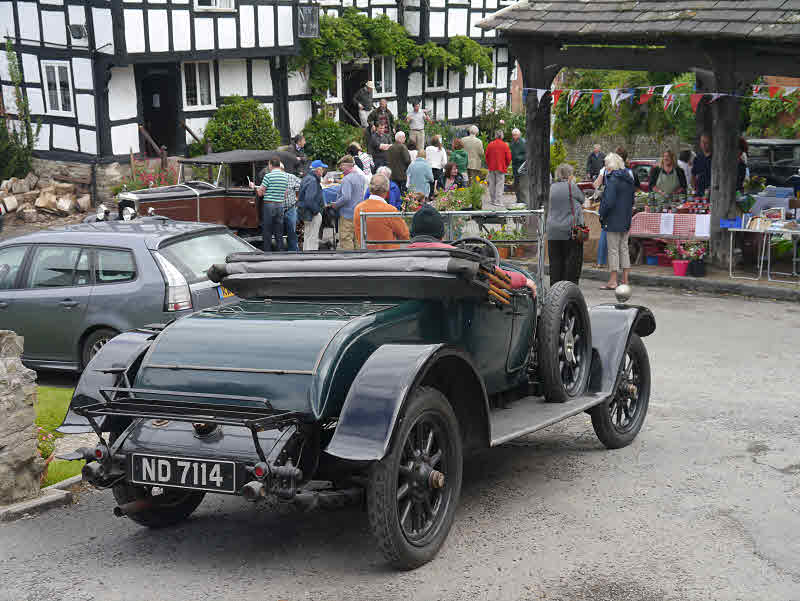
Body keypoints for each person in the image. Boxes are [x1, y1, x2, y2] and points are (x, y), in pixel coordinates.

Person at [406, 205, 537, 295]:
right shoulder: (459, 258)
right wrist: (524, 280)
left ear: (412, 233)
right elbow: (497, 277)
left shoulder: (399, 258)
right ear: (441, 234)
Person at [599, 153, 634, 290]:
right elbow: (632, 200)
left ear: (612, 164)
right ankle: (625, 280)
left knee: (613, 250)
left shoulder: (612, 179)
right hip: (625, 217)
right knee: (624, 248)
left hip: (613, 218)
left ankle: (613, 280)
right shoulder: (628, 178)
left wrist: (602, 213)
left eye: (606, 163)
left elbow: (609, 201)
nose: (605, 166)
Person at [546, 163, 585, 286]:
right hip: (569, 230)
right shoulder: (571, 187)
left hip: (552, 230)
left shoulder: (551, 187)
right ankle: (569, 291)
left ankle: (555, 290)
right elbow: (582, 199)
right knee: (571, 264)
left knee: (555, 263)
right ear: (569, 175)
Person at [353, 174, 410, 249]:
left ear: (370, 189)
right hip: (389, 254)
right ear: (387, 189)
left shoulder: (358, 208)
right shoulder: (390, 210)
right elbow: (404, 235)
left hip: (367, 253)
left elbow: (358, 235)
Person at [259, 157, 300, 251]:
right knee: (279, 231)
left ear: (270, 165)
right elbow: (285, 194)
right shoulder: (285, 177)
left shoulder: (268, 176)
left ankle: (267, 252)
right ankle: (280, 251)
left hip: (269, 205)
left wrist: (256, 188)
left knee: (268, 230)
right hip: (280, 205)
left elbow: (260, 193)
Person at [330, 155, 366, 250]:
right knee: (357, 239)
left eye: (342, 165)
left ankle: (349, 261)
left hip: (347, 214)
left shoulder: (346, 179)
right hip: (358, 213)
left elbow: (346, 197)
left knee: (346, 239)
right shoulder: (361, 177)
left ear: (347, 165)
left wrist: (336, 204)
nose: (340, 168)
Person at [297, 159, 327, 251]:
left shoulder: (307, 178)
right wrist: (317, 211)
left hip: (306, 213)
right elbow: (309, 199)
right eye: (322, 169)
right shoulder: (313, 180)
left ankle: (306, 257)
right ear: (317, 170)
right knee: (313, 237)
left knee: (308, 236)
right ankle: (312, 258)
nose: (323, 171)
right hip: (312, 213)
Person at [485, 130, 512, 208]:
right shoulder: (505, 145)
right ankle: (498, 201)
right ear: (502, 136)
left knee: (492, 184)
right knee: (499, 184)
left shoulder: (490, 144)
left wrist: (489, 164)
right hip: (501, 167)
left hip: (491, 167)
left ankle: (493, 200)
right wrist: (505, 165)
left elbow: (486, 156)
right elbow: (508, 158)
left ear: (495, 135)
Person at [509, 128, 526, 202]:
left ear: (519, 135)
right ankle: (518, 199)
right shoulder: (513, 142)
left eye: (515, 135)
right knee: (516, 183)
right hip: (515, 165)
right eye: (513, 135)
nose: (514, 136)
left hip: (521, 166)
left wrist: (518, 157)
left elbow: (527, 154)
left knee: (521, 184)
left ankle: (522, 199)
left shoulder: (523, 142)